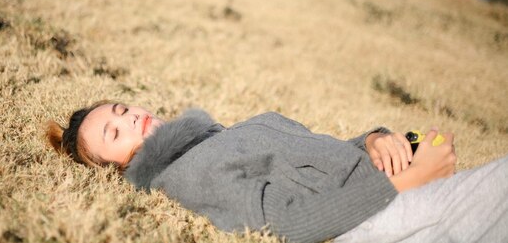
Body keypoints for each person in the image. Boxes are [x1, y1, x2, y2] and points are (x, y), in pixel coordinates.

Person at [46, 100, 508, 243]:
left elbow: (317, 159)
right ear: (118, 167)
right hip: (374, 222)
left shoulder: (215, 140)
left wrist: (374, 140)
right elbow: (286, 224)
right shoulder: (183, 175)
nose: (128, 119)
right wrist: (404, 182)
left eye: (123, 108)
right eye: (113, 132)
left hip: (383, 193)